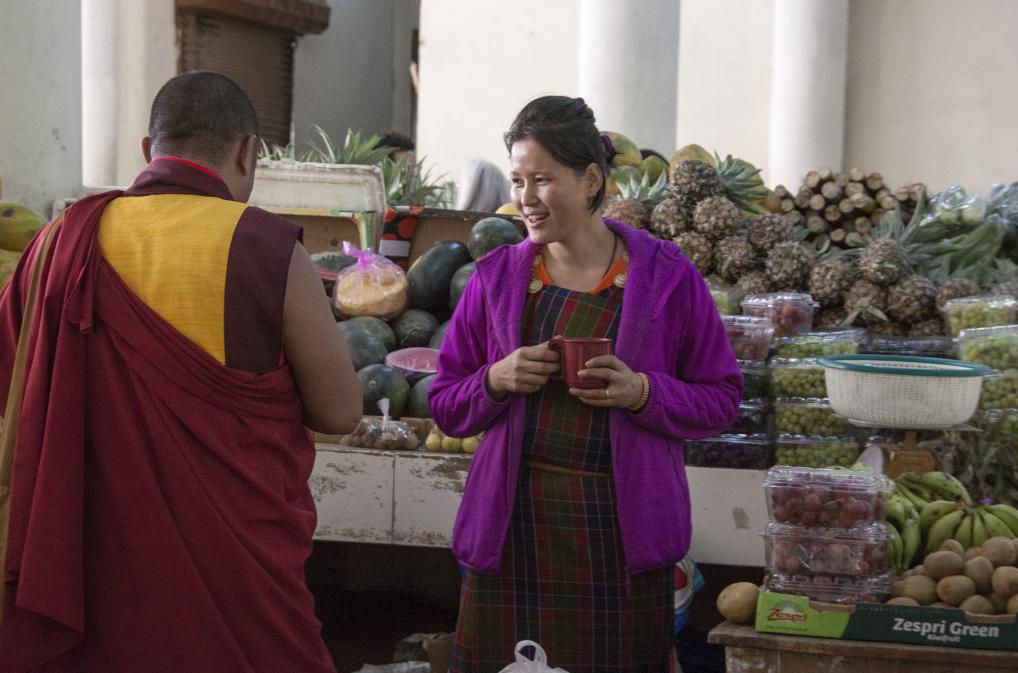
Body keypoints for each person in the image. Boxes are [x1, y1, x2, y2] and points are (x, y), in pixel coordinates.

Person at [0, 71, 362, 672]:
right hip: (233, 569)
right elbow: (340, 411)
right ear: (249, 152)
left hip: (90, 557)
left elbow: (16, 380)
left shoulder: (61, 240)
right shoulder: (264, 246)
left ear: (149, 150)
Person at [429, 95, 743, 673]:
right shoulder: (495, 279)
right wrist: (495, 380)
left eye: (542, 180)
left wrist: (644, 393)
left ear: (591, 179)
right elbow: (446, 405)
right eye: (518, 180)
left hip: (620, 537)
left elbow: (721, 399)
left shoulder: (669, 278)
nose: (524, 199)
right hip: (512, 532)